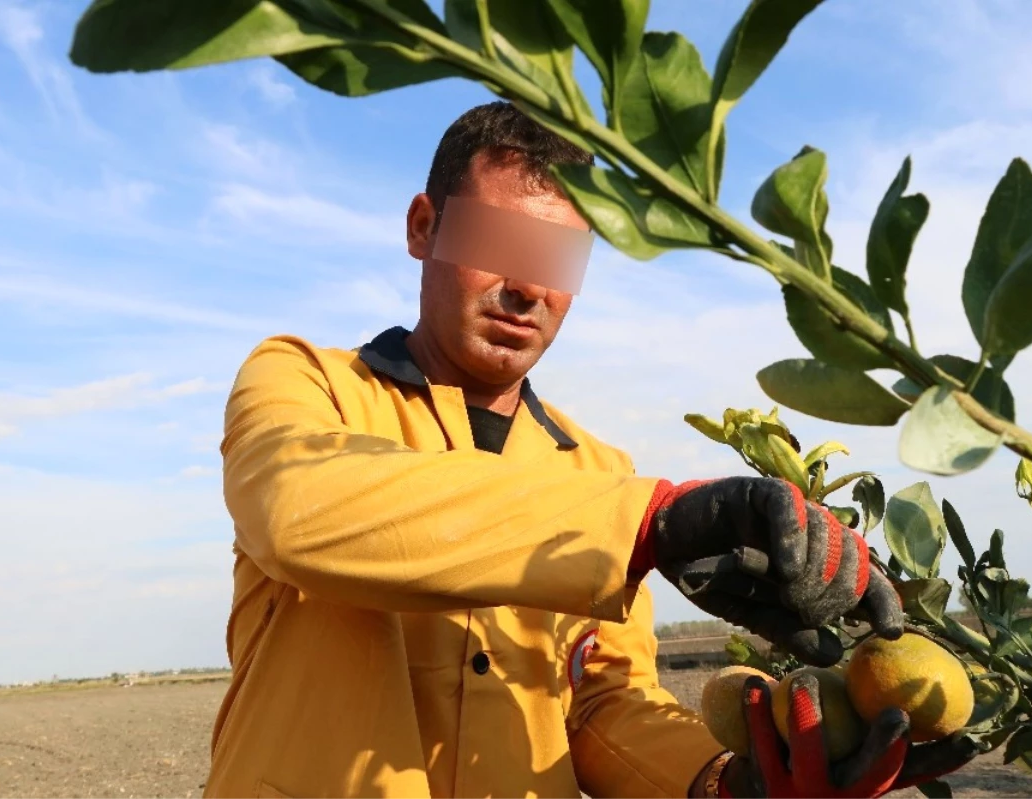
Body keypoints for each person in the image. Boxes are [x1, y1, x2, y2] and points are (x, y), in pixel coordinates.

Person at [206, 100, 977, 799]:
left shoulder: (596, 472)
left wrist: (721, 782)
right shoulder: (306, 382)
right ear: (422, 227)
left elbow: (604, 702)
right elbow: (297, 511)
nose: (527, 288)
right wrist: (650, 525)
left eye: (557, 261)